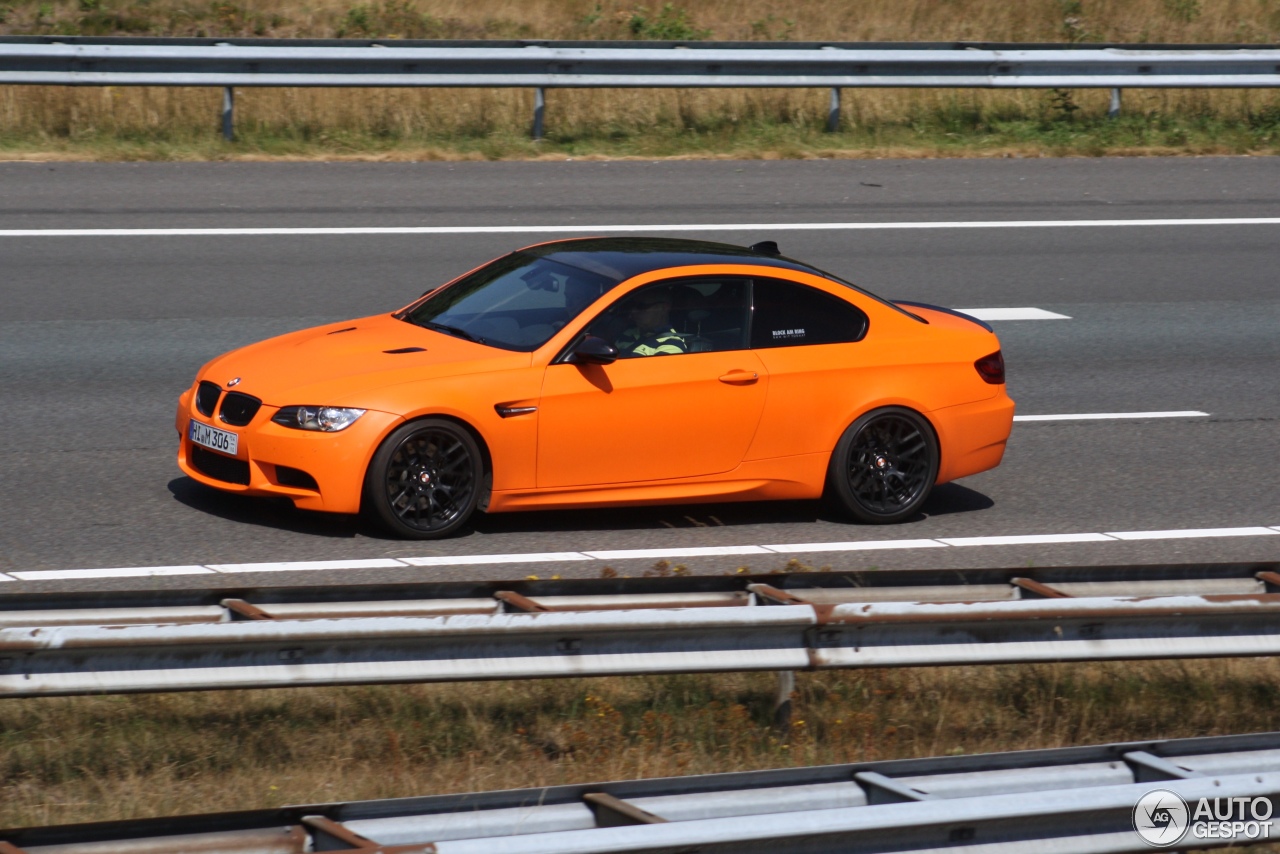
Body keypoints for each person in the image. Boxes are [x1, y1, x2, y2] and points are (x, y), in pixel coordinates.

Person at [614, 288, 687, 357]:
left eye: (641, 306)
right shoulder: (629, 332)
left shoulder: (672, 344)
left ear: (663, 308)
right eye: (632, 305)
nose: (633, 311)